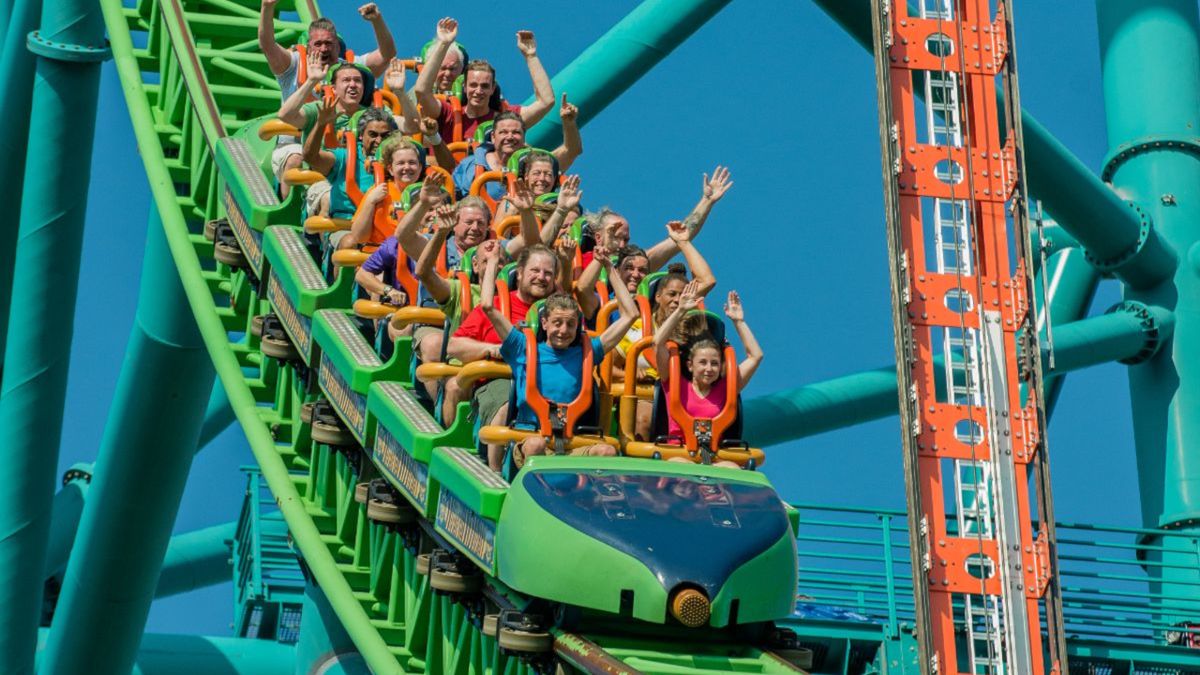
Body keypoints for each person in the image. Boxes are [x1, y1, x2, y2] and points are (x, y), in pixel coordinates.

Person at [476, 252, 637, 468]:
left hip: (570, 445)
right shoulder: (522, 347)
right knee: (535, 446)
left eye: (570, 324)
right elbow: (488, 306)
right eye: (557, 323)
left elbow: (631, 315)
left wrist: (609, 267)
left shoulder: (586, 352)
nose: (563, 330)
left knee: (606, 450)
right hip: (530, 442)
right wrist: (494, 262)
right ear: (544, 323)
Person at [259, 2, 395, 196]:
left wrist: (376, 20)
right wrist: (267, 8)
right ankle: (290, 215)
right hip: (296, 142)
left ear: (337, 47)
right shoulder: (294, 63)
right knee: (296, 160)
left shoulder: (349, 69)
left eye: (329, 44)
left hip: (342, 147)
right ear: (308, 46)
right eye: (318, 44)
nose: (324, 49)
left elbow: (386, 54)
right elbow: (267, 45)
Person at [442, 245, 560, 465]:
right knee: (507, 404)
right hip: (501, 380)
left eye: (548, 273)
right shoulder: (498, 305)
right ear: (521, 272)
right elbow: (454, 346)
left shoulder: (561, 316)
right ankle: (494, 471)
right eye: (535, 271)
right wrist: (490, 349)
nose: (541, 277)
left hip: (546, 384)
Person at [409, 204, 510, 401]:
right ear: (474, 265)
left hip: (499, 369)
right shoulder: (459, 290)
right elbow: (423, 272)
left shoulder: (512, 297)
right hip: (465, 365)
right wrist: (442, 232)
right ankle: (442, 410)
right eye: (486, 261)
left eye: (498, 261)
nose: (493, 266)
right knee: (456, 385)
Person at [653, 283, 763, 464]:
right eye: (702, 363)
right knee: (683, 466)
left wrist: (739, 321)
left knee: (731, 469)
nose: (708, 369)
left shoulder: (726, 389)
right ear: (690, 365)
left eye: (714, 364)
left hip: (713, 456)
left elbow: (756, 356)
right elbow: (658, 343)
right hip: (677, 454)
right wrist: (680, 310)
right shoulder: (673, 382)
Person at [414, 18, 556, 143]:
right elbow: (422, 91)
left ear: (492, 89)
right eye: (473, 85)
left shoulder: (505, 118)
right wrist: (444, 43)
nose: (478, 91)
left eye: (484, 86)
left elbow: (546, 101)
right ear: (464, 87)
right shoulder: (449, 114)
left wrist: (531, 56)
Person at [580, 166, 734, 271]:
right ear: (598, 237)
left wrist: (707, 201)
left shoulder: (634, 266)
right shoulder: (580, 262)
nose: (622, 245)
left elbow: (680, 238)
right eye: (615, 236)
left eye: (626, 239)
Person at [451, 101, 581, 202]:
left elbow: (572, 151)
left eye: (516, 133)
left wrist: (569, 123)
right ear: (493, 137)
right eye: (503, 132)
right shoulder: (470, 165)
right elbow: (451, 197)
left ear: (524, 137)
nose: (510, 137)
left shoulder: (535, 165)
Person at [301, 101, 396, 237]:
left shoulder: (398, 160)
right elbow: (311, 157)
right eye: (373, 135)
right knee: (350, 243)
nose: (379, 141)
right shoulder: (346, 156)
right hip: (346, 226)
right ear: (361, 135)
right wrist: (321, 123)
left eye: (385, 135)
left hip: (387, 229)